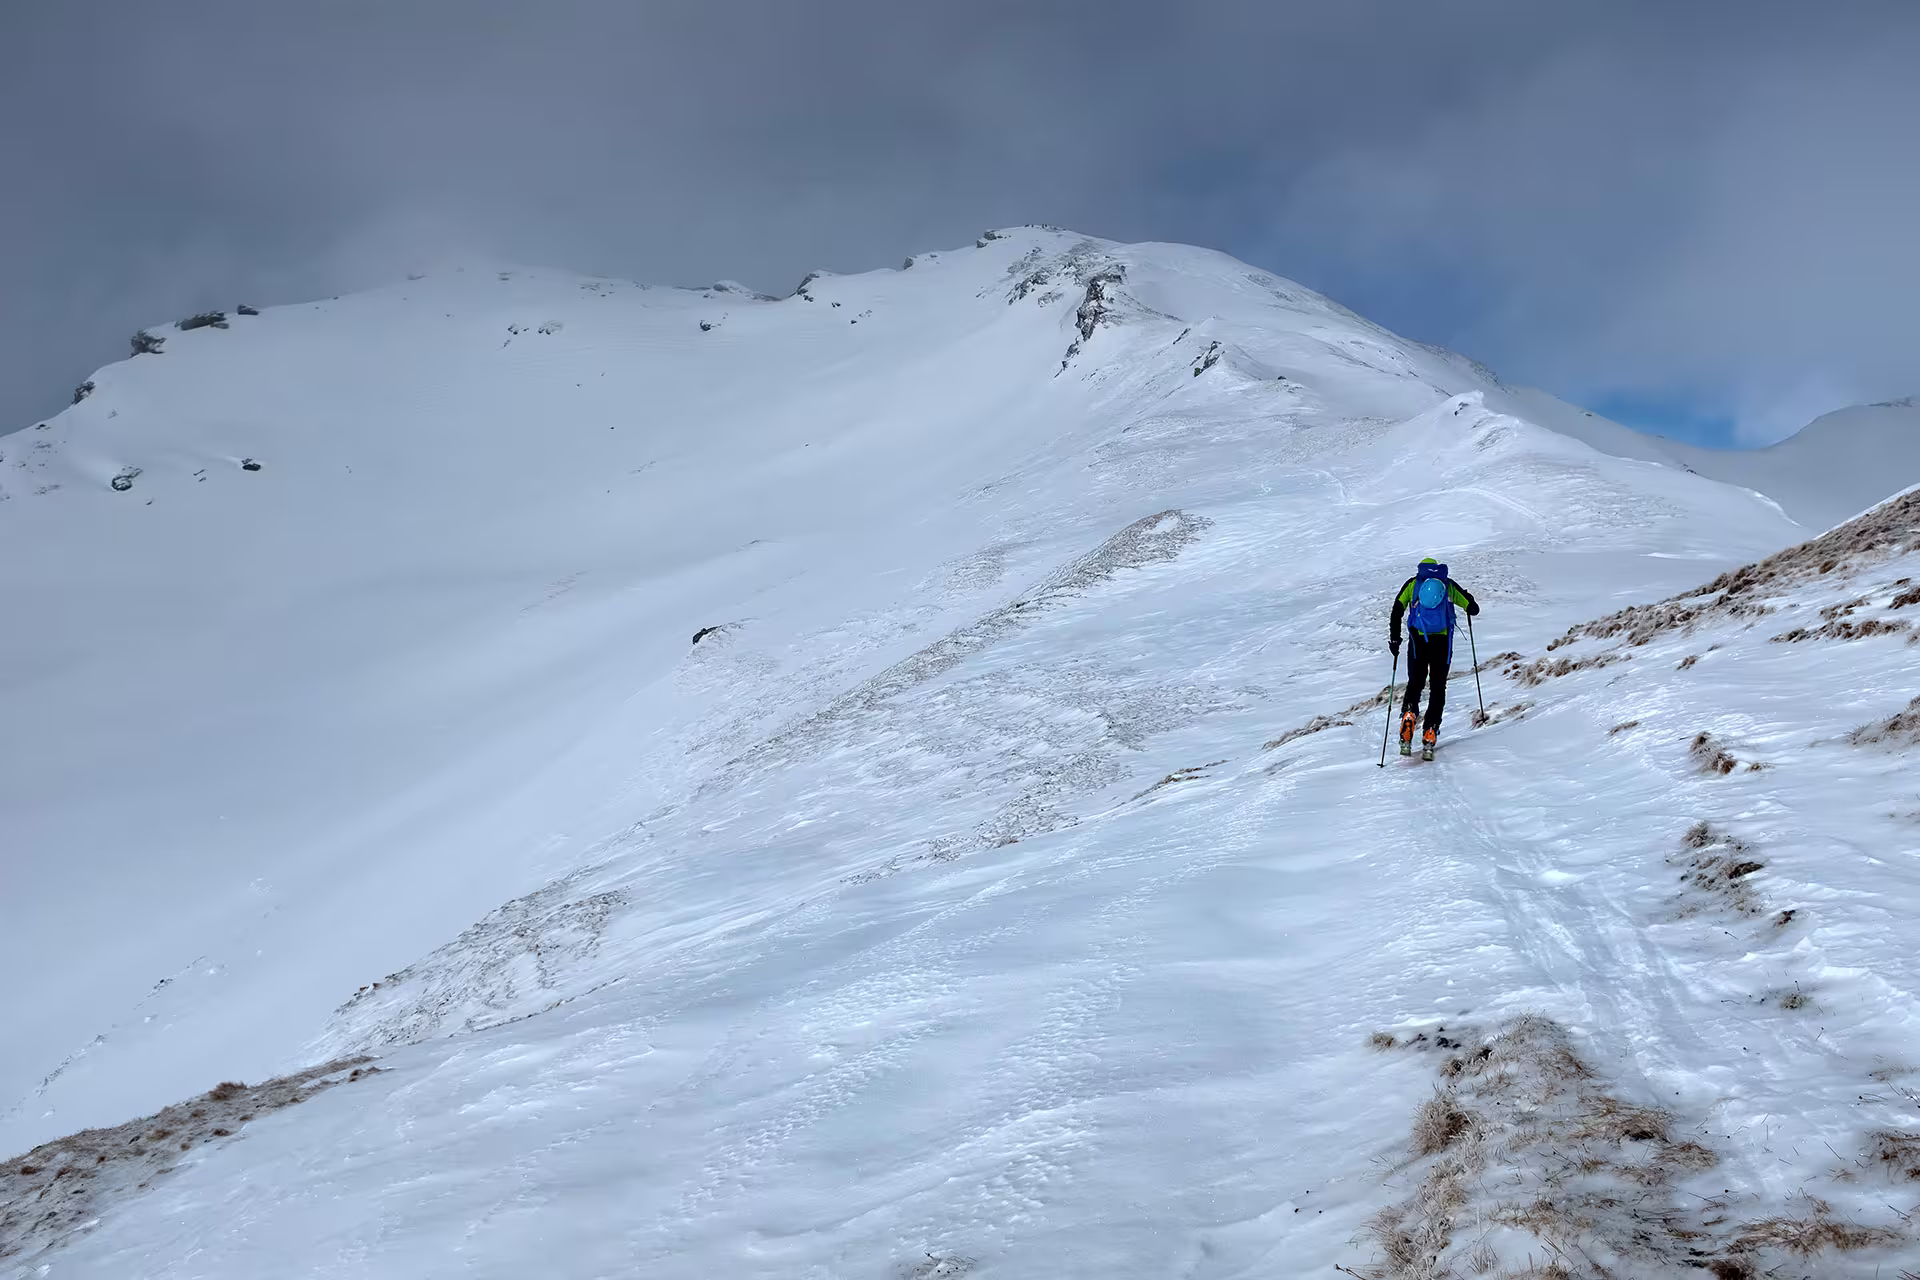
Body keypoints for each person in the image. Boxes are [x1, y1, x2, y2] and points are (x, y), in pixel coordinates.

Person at [1388, 558, 1480, 759]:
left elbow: (1397, 609)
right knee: (1438, 687)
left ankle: (1409, 717)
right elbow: (1473, 608)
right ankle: (1430, 731)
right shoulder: (1447, 585)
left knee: (1415, 683)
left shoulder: (1413, 584)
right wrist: (1469, 600)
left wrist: (1395, 639)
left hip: (1417, 642)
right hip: (1442, 643)